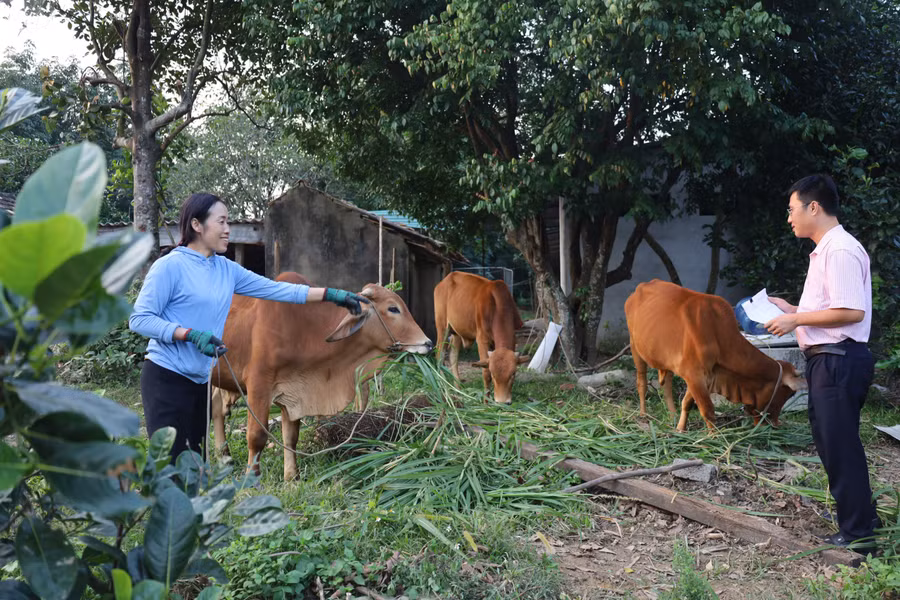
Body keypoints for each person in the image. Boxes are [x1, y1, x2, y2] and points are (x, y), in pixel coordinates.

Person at [129, 193, 369, 461]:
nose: (227, 228)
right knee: (170, 467)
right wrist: (189, 334)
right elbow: (139, 319)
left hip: (200, 381)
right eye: (221, 221)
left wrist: (331, 294)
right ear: (197, 225)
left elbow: (278, 290)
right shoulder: (169, 266)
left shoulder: (226, 270)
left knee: (193, 470)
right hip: (166, 378)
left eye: (228, 221)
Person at [764, 174, 877, 552]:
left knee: (840, 446)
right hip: (830, 360)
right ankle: (862, 519)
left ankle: (859, 536)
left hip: (839, 360)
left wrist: (796, 320)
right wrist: (793, 310)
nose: (789, 217)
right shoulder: (826, 250)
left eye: (792, 209)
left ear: (814, 207)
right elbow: (832, 309)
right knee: (834, 444)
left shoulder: (839, 250)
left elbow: (849, 311)